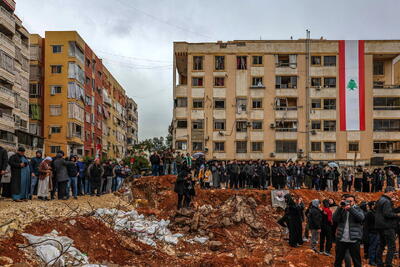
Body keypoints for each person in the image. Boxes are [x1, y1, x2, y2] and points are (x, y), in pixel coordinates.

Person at [333, 194, 364, 267]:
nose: (349, 202)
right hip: (341, 240)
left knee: (356, 261)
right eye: (347, 201)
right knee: (338, 260)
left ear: (354, 202)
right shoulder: (342, 210)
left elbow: (361, 218)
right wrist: (339, 208)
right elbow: (335, 219)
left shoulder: (358, 209)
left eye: (351, 201)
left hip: (354, 240)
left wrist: (350, 209)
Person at [375, 186, 400, 267]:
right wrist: (397, 215)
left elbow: (384, 211)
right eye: (393, 192)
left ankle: (379, 263)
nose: (394, 194)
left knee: (381, 245)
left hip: (380, 226)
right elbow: (387, 214)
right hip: (388, 226)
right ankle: (388, 264)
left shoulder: (380, 199)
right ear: (389, 191)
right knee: (392, 247)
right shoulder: (386, 201)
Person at [365, 201, 379, 266]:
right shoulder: (369, 213)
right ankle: (371, 261)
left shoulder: (376, 212)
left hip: (378, 232)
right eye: (374, 205)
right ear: (371, 206)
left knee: (377, 247)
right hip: (372, 233)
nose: (376, 206)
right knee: (372, 247)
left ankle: (376, 260)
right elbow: (367, 225)